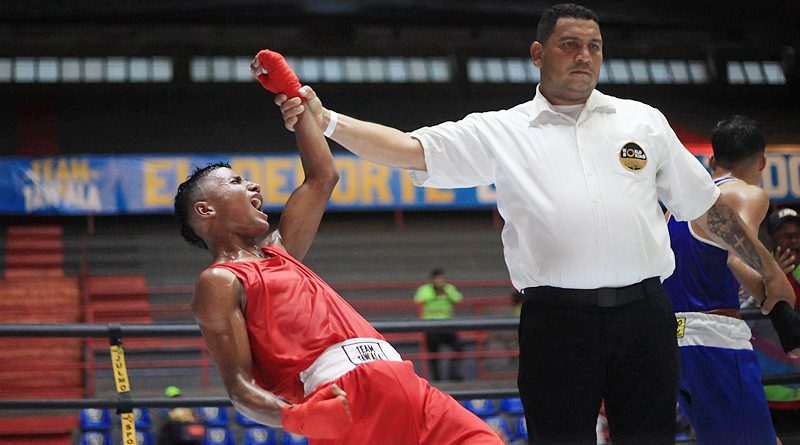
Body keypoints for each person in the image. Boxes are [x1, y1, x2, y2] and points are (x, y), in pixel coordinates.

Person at [270, 4, 796, 443]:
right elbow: (410, 149)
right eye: (570, 45)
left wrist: (767, 268)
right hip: (557, 323)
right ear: (538, 54)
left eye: (594, 46)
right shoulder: (503, 130)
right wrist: (327, 120)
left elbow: (706, 208)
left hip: (645, 317)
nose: (584, 56)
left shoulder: (644, 121)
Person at [172, 49, 503, 445]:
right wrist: (299, 419)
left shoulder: (280, 252)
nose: (253, 185)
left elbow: (322, 177)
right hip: (346, 398)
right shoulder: (220, 281)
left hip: (408, 384)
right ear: (205, 209)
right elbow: (239, 387)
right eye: (236, 182)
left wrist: (293, 95)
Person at [662, 115, 800, 445]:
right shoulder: (748, 194)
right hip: (716, 339)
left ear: (713, 161)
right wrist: (775, 290)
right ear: (762, 161)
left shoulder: (675, 209)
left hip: (673, 342)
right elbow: (738, 257)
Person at [414, 268, 464, 381]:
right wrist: (436, 295)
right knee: (433, 353)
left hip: (448, 325)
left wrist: (446, 293)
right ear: (432, 279)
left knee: (458, 348)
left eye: (441, 278)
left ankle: (453, 374)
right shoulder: (425, 289)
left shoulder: (449, 288)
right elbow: (418, 299)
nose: (439, 281)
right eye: (437, 278)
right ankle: (437, 379)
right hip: (431, 326)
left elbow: (458, 298)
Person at [769, 208, 800, 301]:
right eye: (786, 236)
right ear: (771, 239)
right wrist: (773, 280)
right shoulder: (759, 269)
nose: (794, 240)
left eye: (798, 235)